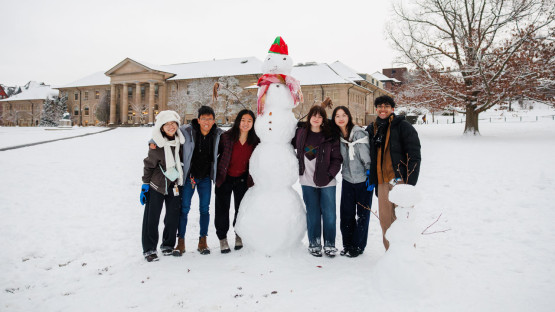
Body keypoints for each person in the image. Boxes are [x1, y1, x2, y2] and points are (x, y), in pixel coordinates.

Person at [151, 106, 224, 256]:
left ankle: (202, 240)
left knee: (205, 209)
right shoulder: (187, 130)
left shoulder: (218, 134)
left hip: (205, 179)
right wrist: (152, 141)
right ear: (198, 119)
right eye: (203, 118)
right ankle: (181, 241)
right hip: (189, 177)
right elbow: (168, 132)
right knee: (184, 209)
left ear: (213, 120)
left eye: (209, 119)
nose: (206, 122)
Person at [366, 95, 421, 250]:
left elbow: (414, 155)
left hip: (400, 181)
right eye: (380, 106)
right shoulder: (373, 129)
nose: (383, 109)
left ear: (392, 109)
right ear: (376, 109)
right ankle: (391, 254)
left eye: (386, 106)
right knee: (385, 220)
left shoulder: (403, 126)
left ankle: (408, 254)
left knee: (403, 219)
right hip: (382, 182)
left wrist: (410, 183)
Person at [292, 105, 342, 257]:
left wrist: (329, 174)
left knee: (329, 214)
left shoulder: (330, 136)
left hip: (327, 181)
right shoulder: (300, 133)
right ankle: (314, 242)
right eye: (313, 115)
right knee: (312, 213)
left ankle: (329, 243)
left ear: (323, 119)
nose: (316, 119)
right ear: (309, 117)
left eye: (320, 116)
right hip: (307, 180)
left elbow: (337, 159)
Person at [140, 110, 185, 262]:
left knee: (172, 217)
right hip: (156, 185)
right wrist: (145, 185)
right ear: (161, 127)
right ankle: (149, 249)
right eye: (167, 124)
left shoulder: (181, 142)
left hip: (174, 185)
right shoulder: (156, 145)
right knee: (151, 218)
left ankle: (167, 244)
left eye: (173, 123)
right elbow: (149, 165)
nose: (171, 126)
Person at [214, 109, 259, 253]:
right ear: (238, 121)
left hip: (242, 180)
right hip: (225, 178)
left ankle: (239, 234)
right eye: (243, 120)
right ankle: (222, 238)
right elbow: (217, 153)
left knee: (241, 210)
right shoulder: (226, 137)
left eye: (249, 121)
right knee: (222, 210)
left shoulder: (255, 140)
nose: (246, 124)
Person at [331, 106, 372, 258]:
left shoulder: (359, 133)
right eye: (337, 116)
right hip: (348, 180)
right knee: (346, 214)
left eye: (344, 115)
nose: (341, 118)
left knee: (362, 214)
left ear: (349, 116)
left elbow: (367, 157)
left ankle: (358, 246)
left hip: (363, 180)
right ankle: (347, 244)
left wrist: (370, 176)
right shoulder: (339, 136)